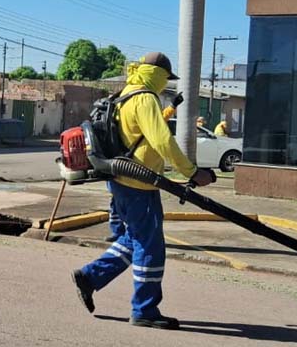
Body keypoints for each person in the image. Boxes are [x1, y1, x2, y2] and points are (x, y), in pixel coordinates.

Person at [72, 52, 216, 330]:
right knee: (151, 248)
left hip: (121, 181)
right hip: (139, 185)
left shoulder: (125, 94)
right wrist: (192, 172)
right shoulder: (146, 98)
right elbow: (162, 140)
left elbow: (144, 129)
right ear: (159, 75)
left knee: (134, 238)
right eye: (166, 79)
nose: (166, 84)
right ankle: (145, 310)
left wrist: (170, 109)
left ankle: (90, 277)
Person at [107, 91, 184, 243]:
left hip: (116, 168)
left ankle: (119, 233)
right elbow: (159, 126)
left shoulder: (117, 110)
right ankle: (121, 234)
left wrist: (172, 106)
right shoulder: (139, 104)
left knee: (117, 203)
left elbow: (160, 119)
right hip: (131, 171)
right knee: (128, 211)